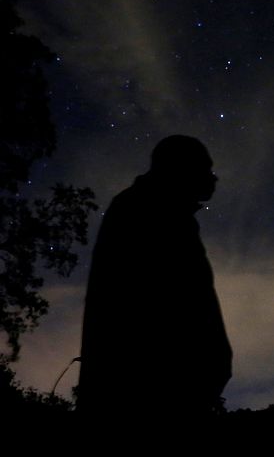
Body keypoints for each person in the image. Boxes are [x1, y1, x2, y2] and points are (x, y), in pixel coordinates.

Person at [77, 135, 232, 416]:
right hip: (154, 391)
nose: (213, 178)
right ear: (183, 168)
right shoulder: (156, 212)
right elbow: (183, 297)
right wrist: (211, 365)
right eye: (206, 169)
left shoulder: (146, 207)